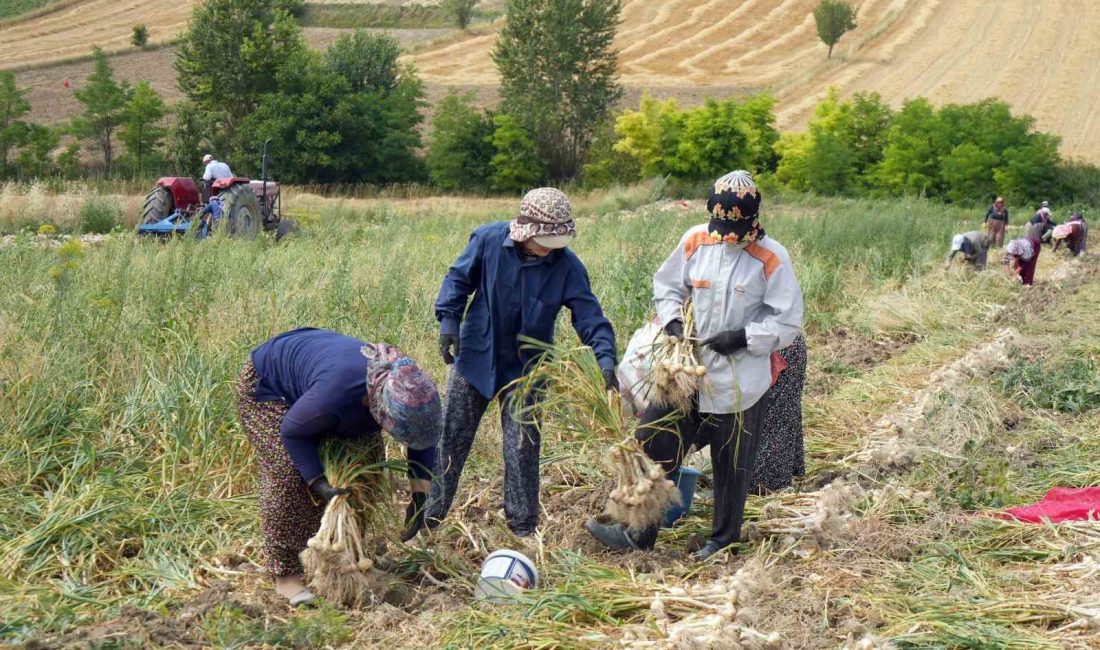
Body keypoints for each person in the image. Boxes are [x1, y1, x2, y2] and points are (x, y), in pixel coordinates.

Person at [587, 170, 804, 561]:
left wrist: (742, 337)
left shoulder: (771, 257)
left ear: (751, 220)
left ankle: (722, 539)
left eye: (736, 228)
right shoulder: (695, 240)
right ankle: (639, 534)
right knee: (653, 442)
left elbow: (787, 321)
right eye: (721, 226)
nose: (728, 236)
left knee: (731, 463)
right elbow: (667, 286)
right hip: (683, 375)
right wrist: (672, 319)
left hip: (739, 381)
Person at [424, 188, 618, 537]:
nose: (552, 247)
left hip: (529, 370)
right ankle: (429, 517)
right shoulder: (488, 240)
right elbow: (457, 280)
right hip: (477, 356)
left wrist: (605, 359)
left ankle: (523, 529)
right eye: (546, 239)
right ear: (526, 230)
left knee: (522, 449)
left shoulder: (568, 267)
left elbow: (590, 317)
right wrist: (449, 322)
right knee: (451, 440)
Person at [236, 328, 441, 605]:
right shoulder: (336, 394)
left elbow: (421, 437)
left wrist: (419, 497)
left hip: (332, 389)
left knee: (366, 471)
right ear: (381, 409)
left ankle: (349, 558)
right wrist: (317, 482)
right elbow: (292, 432)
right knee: (288, 473)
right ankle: (287, 575)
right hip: (271, 388)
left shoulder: (412, 391)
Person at [752, 334, 808, 493]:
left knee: (771, 417)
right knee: (778, 415)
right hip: (780, 343)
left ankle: (762, 484)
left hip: (777, 347)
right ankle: (770, 481)